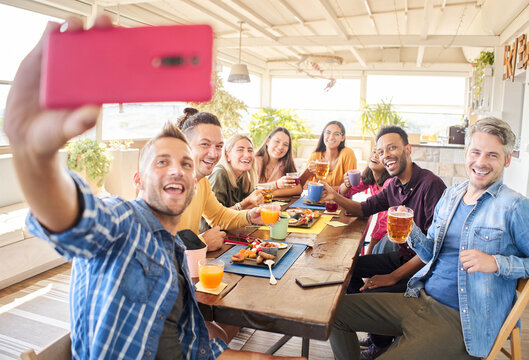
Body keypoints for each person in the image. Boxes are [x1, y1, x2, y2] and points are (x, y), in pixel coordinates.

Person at [3, 15, 306, 360]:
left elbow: (198, 352)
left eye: (185, 164)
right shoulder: (124, 224)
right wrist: (33, 156)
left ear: (194, 183)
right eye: (162, 162)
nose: (178, 170)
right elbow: (75, 218)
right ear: (138, 180)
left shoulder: (174, 252)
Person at [329, 117, 529, 360]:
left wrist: (497, 263)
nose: (481, 162)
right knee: (333, 313)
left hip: (461, 320)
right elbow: (430, 252)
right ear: (466, 152)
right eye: (476, 152)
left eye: (492, 155)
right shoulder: (452, 195)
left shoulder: (515, 207)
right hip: (419, 297)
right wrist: (412, 232)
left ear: (508, 159)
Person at [322, 125, 446, 359]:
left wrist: (393, 276)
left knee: (368, 291)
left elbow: (434, 250)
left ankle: (380, 342)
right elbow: (363, 208)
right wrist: (335, 196)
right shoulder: (394, 185)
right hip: (402, 257)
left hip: (423, 271)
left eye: (392, 148)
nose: (385, 155)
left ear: (408, 149)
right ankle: (380, 336)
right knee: (349, 268)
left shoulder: (431, 185)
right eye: (380, 151)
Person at [176, 111, 262, 252]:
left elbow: (218, 216)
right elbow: (153, 249)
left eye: (218, 146)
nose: (214, 154)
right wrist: (202, 243)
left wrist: (250, 216)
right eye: (205, 144)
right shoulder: (167, 184)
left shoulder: (202, 182)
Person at [200, 134, 264, 232]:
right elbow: (214, 222)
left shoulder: (243, 176)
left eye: (250, 150)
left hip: (235, 233)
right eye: (240, 150)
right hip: (214, 238)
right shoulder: (219, 174)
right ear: (227, 156)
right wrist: (246, 203)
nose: (247, 155)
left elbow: (249, 209)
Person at [339, 147, 392, 255]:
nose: (375, 155)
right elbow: (344, 193)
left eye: (380, 153)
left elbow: (383, 223)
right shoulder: (370, 178)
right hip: (383, 234)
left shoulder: (390, 183)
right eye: (374, 151)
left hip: (393, 236)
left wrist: (369, 253)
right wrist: (346, 184)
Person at [299, 121, 357, 189]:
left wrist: (322, 188)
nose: (331, 137)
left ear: (342, 138)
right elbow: (302, 185)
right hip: (317, 199)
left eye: (336, 134)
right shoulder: (315, 156)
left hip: (340, 199)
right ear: (323, 135)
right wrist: (307, 171)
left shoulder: (347, 153)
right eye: (328, 132)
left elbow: (351, 186)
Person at [255, 127, 302, 197]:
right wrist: (277, 185)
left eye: (285, 144)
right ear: (268, 141)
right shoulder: (254, 161)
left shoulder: (285, 164)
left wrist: (270, 194)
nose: (280, 147)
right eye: (277, 141)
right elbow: (248, 189)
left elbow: (298, 188)